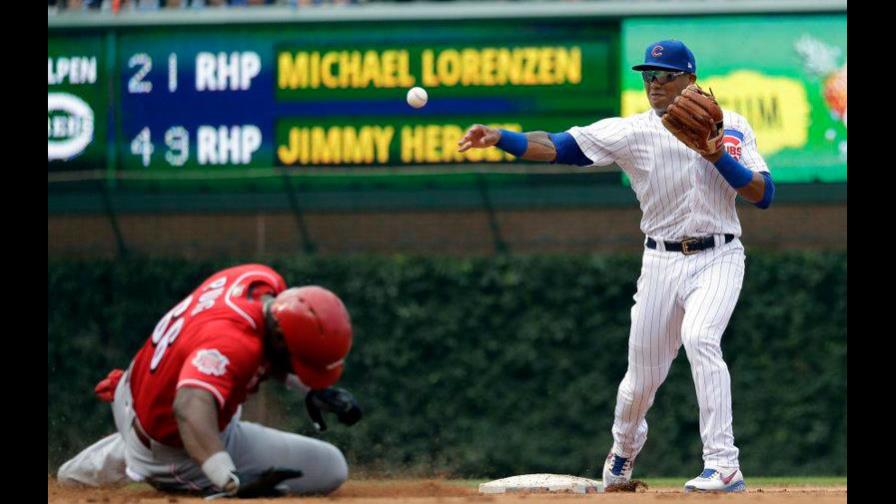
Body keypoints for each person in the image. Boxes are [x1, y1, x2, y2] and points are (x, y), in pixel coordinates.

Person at [458, 40, 775, 493]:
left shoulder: (731, 126)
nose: (654, 84)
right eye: (648, 75)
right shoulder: (632, 132)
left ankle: (723, 464)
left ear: (690, 79)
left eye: (664, 75)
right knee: (639, 383)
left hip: (719, 256)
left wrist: (716, 154)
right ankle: (623, 451)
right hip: (660, 261)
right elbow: (558, 146)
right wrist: (501, 138)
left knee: (701, 338)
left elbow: (763, 195)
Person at [57, 264, 362, 497]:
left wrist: (311, 388)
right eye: (302, 364)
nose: (300, 370)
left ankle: (118, 455)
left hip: (136, 390)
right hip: (172, 445)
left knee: (218, 386)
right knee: (331, 466)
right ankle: (141, 461)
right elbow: (189, 407)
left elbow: (259, 351)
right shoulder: (233, 344)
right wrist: (228, 477)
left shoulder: (258, 280)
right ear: (280, 337)